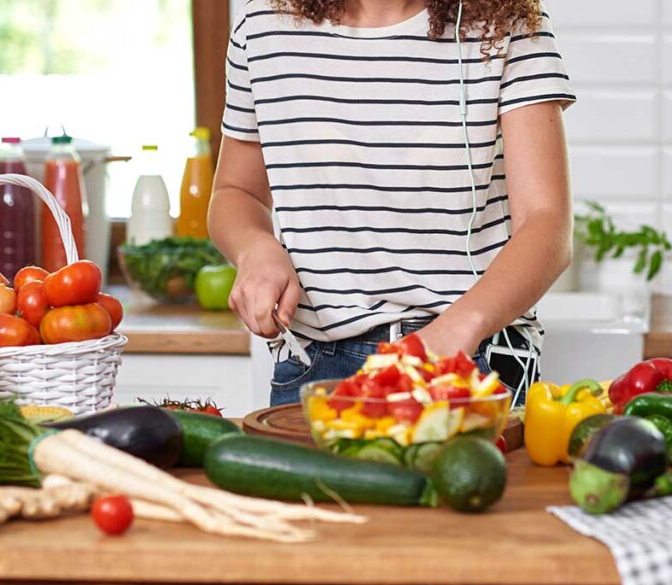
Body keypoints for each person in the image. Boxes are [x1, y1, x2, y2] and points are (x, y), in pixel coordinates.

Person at [209, 0, 574, 406]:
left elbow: (547, 222)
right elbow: (235, 192)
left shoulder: (507, 25)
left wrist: (456, 330)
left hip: (473, 356)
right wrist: (256, 250)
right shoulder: (263, 27)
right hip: (316, 364)